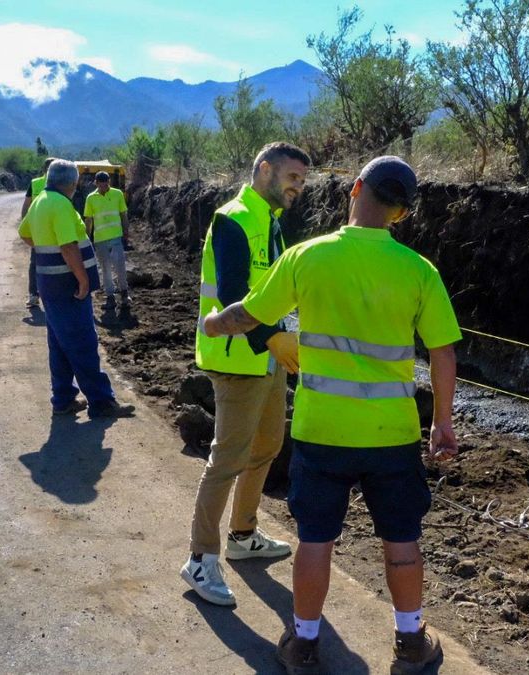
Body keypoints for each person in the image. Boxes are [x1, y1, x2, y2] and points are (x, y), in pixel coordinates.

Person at [201, 156, 461, 674]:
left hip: (321, 432)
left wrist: (212, 323)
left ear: (356, 188)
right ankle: (411, 642)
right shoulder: (419, 271)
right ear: (403, 213)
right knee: (401, 539)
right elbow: (443, 352)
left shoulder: (306, 256)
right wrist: (443, 423)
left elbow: (249, 314)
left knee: (315, 540)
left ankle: (303, 643)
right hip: (391, 435)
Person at [179, 142, 311, 607]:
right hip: (237, 358)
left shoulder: (270, 222)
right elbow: (234, 293)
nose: (298, 186)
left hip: (266, 358)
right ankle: (200, 559)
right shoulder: (233, 216)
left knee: (268, 444)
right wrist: (272, 338)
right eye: (292, 176)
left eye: (302, 180)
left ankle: (242, 534)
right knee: (228, 458)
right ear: (264, 169)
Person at [18, 159, 136, 419]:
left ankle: (63, 399)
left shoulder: (40, 201)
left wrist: (44, 251)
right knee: (83, 342)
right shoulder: (60, 204)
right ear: (72, 182)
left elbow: (24, 233)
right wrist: (82, 279)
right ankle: (102, 402)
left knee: (59, 344)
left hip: (50, 285)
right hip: (67, 287)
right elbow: (69, 246)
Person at [83, 171, 132, 310]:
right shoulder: (91, 198)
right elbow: (89, 220)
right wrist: (88, 238)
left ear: (109, 182)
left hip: (116, 237)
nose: (104, 186)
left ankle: (124, 294)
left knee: (120, 267)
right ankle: (110, 297)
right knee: (105, 269)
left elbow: (123, 214)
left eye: (106, 183)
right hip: (100, 239)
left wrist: (126, 233)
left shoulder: (117, 194)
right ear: (96, 183)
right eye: (101, 184)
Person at [20, 157, 56, 310]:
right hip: (40, 231)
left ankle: (50, 294)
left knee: (51, 263)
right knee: (36, 262)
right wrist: (26, 226)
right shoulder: (35, 184)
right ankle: (34, 294)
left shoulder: (60, 183)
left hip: (54, 229)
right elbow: (26, 206)